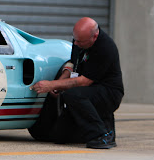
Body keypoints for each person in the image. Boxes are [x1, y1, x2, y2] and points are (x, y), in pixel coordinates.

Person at [30, 17, 124, 149]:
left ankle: (102, 135)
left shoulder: (105, 48)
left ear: (94, 36)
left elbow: (84, 81)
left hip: (109, 93)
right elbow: (72, 63)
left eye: (80, 42)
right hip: (89, 91)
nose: (76, 44)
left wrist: (51, 85)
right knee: (58, 136)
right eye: (75, 40)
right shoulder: (79, 42)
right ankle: (104, 126)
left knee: (73, 95)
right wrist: (60, 81)